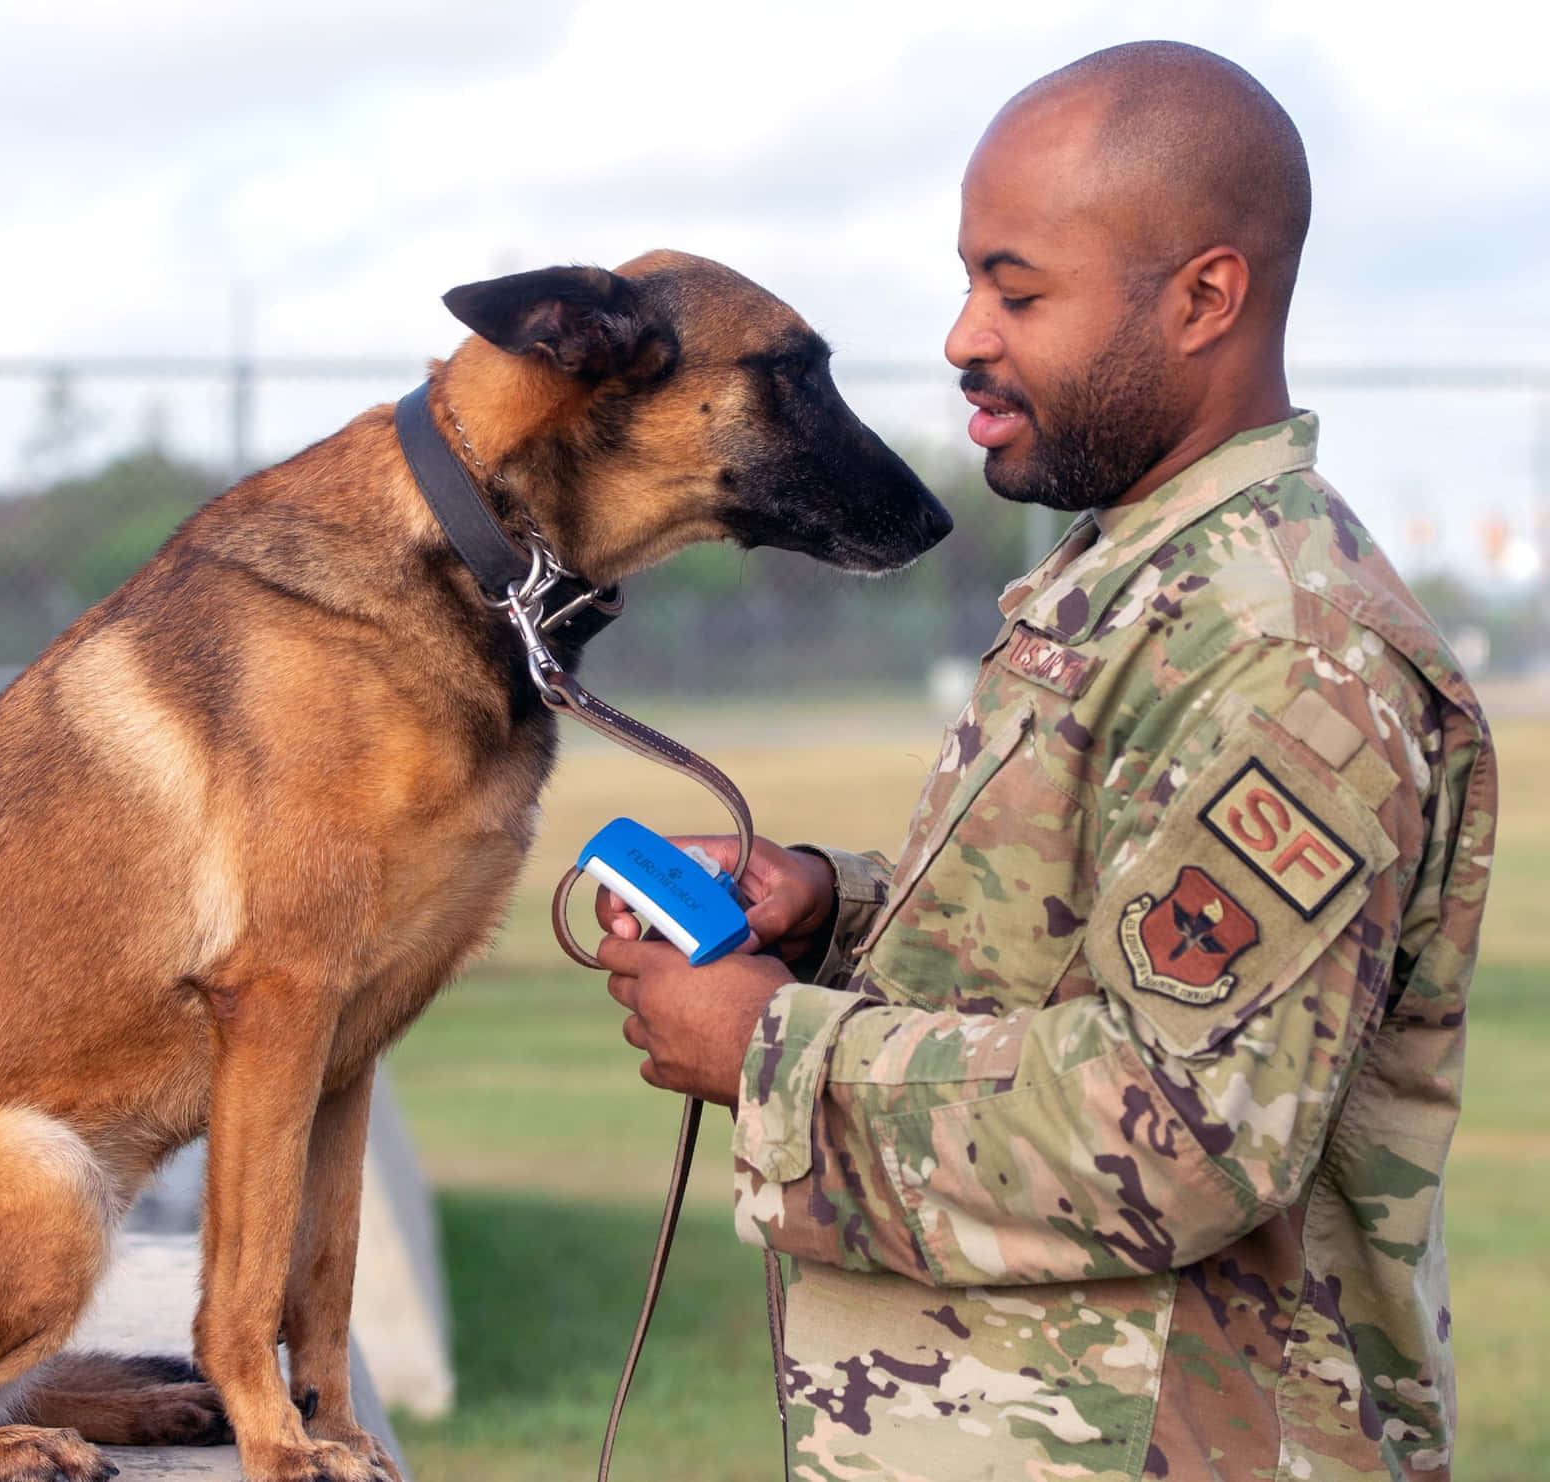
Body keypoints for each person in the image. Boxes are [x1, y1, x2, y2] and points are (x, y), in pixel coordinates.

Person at [596, 40, 1496, 1482]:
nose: (964, 334)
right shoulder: (1146, 581)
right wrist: (828, 907)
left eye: (1017, 291)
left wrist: (770, 1050)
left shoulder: (1286, 648)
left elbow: (1186, 1126)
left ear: (1207, 296)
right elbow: (1096, 942)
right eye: (969, 284)